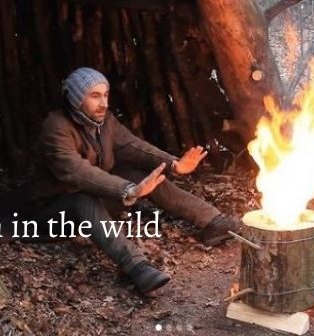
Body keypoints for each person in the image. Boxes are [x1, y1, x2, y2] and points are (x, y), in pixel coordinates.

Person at [34, 67, 238, 294]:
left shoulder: (104, 122)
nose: (103, 103)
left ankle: (212, 221)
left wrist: (174, 164)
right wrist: (127, 190)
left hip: (96, 205)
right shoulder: (56, 128)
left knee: (142, 176)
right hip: (54, 213)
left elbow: (133, 147)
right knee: (83, 200)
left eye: (105, 95)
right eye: (94, 96)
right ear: (75, 98)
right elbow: (77, 172)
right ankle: (137, 267)